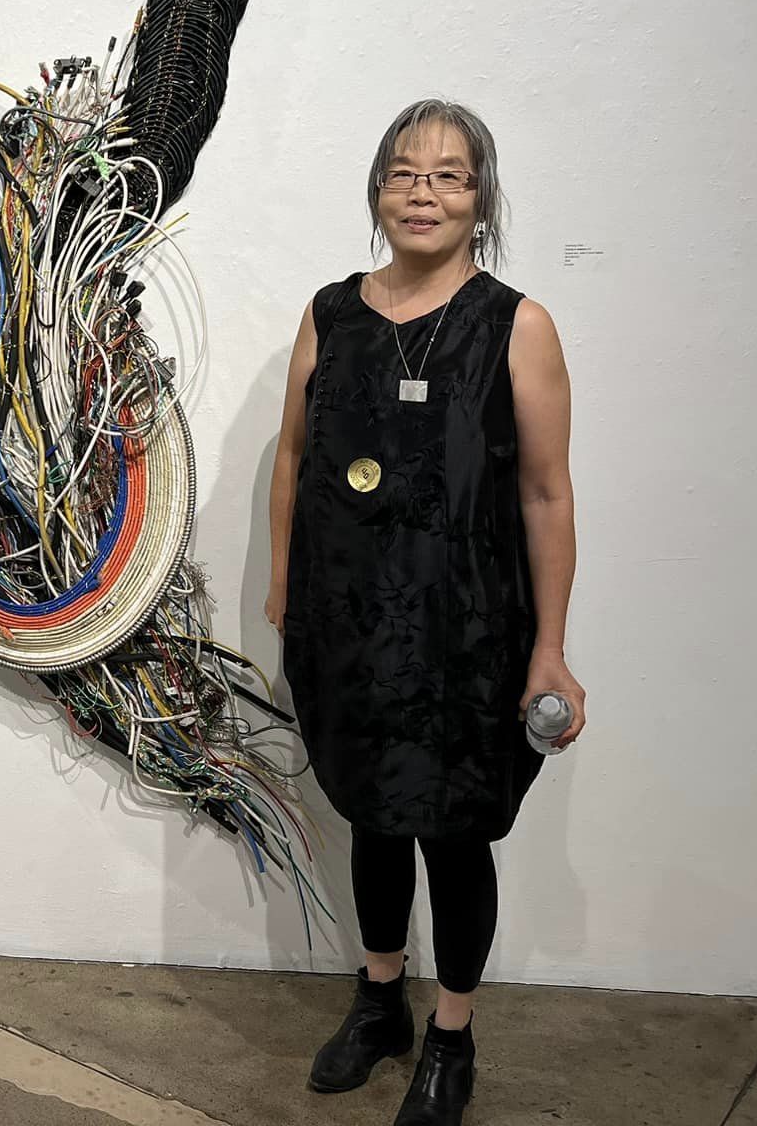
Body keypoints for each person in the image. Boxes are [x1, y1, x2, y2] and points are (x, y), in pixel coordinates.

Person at [264, 99, 584, 1125]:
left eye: (449, 176)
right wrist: (284, 587)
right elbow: (293, 458)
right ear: (376, 191)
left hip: (467, 630)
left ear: (479, 199)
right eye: (403, 173)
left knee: (451, 830)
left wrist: (549, 649)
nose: (423, 193)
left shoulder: (515, 325)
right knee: (369, 811)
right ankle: (377, 1002)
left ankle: (450, 1035)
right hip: (347, 619)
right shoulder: (329, 314)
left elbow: (546, 494)